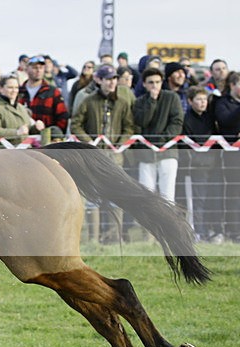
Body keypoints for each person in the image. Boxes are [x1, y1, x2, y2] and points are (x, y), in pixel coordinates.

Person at [70, 64, 136, 243]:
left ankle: (116, 237)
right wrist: (90, 143)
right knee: (93, 198)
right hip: (93, 159)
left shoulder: (122, 102)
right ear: (100, 80)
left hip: (115, 157)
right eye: (108, 79)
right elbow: (76, 124)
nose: (112, 82)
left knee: (116, 197)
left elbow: (130, 126)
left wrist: (119, 144)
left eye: (114, 78)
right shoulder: (88, 101)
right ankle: (93, 239)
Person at [133, 67, 184, 203]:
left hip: (168, 152)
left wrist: (161, 141)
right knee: (147, 196)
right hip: (146, 154)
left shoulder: (172, 97)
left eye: (157, 82)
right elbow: (142, 121)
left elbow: (177, 122)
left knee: (167, 195)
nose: (154, 85)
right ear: (144, 84)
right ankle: (149, 224)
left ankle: (168, 224)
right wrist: (152, 101)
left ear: (162, 82)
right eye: (151, 82)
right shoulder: (139, 102)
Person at [181, 86, 220, 242]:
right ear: (190, 101)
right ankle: (198, 231)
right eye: (199, 99)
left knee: (213, 199)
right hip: (196, 166)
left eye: (204, 99)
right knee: (197, 201)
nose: (202, 103)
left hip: (212, 164)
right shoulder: (187, 119)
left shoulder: (210, 118)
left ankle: (213, 230)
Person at [213, 71, 240, 241]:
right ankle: (233, 230)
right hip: (231, 158)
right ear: (232, 85)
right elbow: (225, 121)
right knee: (233, 194)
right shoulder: (223, 103)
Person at [0, 74, 44, 145]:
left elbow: (27, 130)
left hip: (25, 150)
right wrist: (16, 132)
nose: (14, 90)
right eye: (10, 87)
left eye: (16, 87)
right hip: (5, 152)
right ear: (1, 89)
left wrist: (36, 128)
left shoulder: (21, 107)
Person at [18, 55, 69, 133]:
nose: (38, 70)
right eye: (35, 67)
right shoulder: (18, 91)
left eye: (41, 67)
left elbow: (62, 117)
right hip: (22, 139)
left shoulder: (53, 92)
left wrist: (56, 136)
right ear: (27, 69)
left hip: (46, 139)